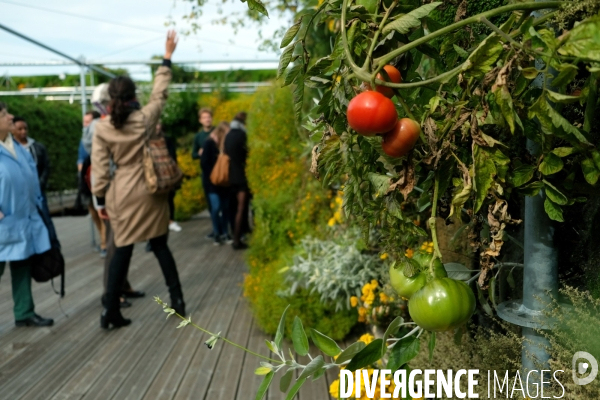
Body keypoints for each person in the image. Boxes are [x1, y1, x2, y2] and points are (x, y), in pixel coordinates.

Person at [92, 31, 185, 329]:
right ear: (133, 96)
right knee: (160, 246)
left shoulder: (102, 128)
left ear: (110, 99)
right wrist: (166, 57)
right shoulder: (145, 118)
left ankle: (110, 312)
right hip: (150, 191)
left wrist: (100, 201)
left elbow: (100, 171)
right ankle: (178, 302)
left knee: (121, 249)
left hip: (121, 195)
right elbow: (160, 92)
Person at [0, 102, 54, 327]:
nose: (10, 116)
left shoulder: (19, 148)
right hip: (4, 221)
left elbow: (32, 177)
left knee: (22, 264)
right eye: (4, 114)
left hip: (24, 218)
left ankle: (24, 312)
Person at [79, 110, 107, 257]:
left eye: (88, 122)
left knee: (102, 212)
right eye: (84, 122)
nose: (86, 125)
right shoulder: (84, 140)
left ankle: (104, 244)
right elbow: (80, 158)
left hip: (98, 180)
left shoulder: (102, 138)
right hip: (87, 180)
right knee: (94, 213)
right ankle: (104, 240)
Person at [200, 121, 232, 245]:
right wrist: (213, 176)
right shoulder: (209, 143)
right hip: (211, 182)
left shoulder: (225, 145)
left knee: (225, 207)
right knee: (216, 206)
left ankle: (225, 232)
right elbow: (204, 163)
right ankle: (217, 232)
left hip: (223, 182)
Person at [224, 112, 250, 250]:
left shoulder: (228, 135)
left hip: (230, 176)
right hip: (241, 175)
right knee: (241, 208)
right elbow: (247, 153)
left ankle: (235, 235)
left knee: (233, 208)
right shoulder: (242, 135)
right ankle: (237, 240)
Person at [192, 108, 215, 238]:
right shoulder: (198, 137)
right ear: (200, 120)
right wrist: (199, 153)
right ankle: (215, 228)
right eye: (205, 117)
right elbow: (193, 154)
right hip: (206, 173)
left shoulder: (217, 132)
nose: (207, 119)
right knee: (211, 204)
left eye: (209, 117)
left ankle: (225, 228)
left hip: (219, 172)